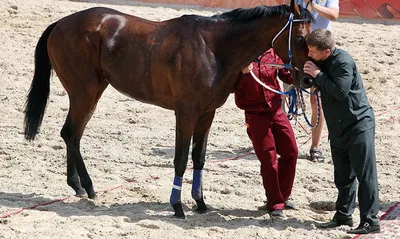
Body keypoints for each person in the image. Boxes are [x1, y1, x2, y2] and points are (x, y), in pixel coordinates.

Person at [303, 29, 380, 234]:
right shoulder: (321, 61)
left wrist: (318, 75)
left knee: (365, 176)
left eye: (312, 51)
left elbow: (340, 91)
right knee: (343, 176)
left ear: (326, 51)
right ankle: (343, 216)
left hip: (358, 125)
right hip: (337, 127)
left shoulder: (343, 61)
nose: (309, 55)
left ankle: (370, 221)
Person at [233, 48, 298, 217]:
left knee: (291, 151)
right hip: (254, 114)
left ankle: (283, 196)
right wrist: (243, 74)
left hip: (276, 110)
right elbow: (231, 87)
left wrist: (301, 74)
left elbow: (286, 75)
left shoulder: (273, 52)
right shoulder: (241, 54)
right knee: (268, 158)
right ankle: (275, 203)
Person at [290, 0, 340, 162]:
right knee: (287, 92)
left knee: (316, 100)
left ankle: (315, 147)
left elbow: (334, 15)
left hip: (319, 49)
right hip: (299, 47)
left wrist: (313, 6)